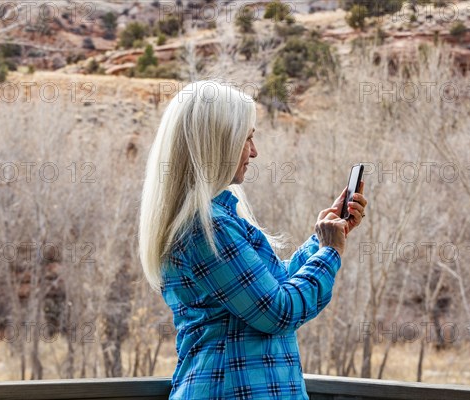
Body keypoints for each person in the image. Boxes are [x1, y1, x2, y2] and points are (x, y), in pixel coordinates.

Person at [139, 80, 368, 399]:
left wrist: (323, 239)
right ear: (219, 143)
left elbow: (268, 287)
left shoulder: (216, 221)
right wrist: (329, 253)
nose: (254, 152)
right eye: (247, 138)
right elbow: (278, 311)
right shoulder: (207, 229)